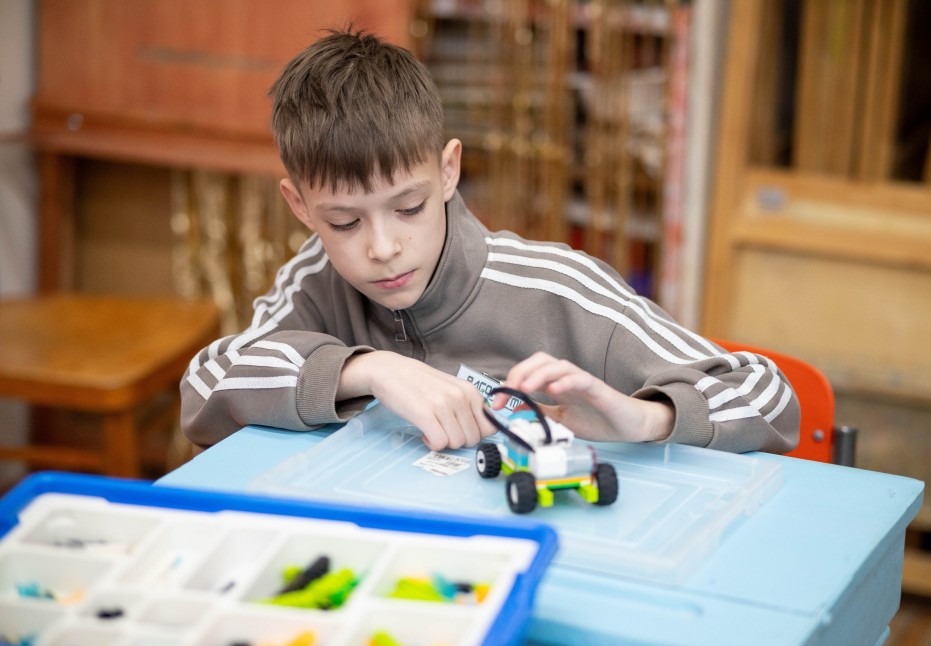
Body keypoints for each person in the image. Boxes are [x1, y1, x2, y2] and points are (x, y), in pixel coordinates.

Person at [180, 29, 799, 456]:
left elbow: (767, 394)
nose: (383, 247)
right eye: (345, 223)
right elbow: (205, 384)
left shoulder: (557, 289)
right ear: (300, 207)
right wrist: (368, 369)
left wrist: (644, 418)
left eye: (409, 208)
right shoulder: (317, 279)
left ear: (449, 170)